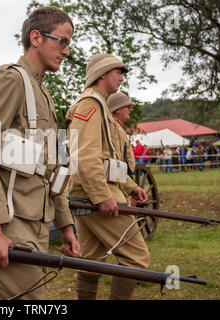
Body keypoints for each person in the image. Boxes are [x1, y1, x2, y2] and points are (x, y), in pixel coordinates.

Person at [0, 6, 79, 300]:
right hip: (8, 221)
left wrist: (65, 224)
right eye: (62, 41)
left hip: (37, 220)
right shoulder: (9, 80)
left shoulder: (46, 96)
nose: (67, 51)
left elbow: (55, 167)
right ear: (36, 37)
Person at [66, 53, 149, 300]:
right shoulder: (90, 104)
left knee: (91, 260)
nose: (121, 78)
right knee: (137, 258)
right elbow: (85, 155)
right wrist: (102, 196)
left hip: (91, 194)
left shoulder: (101, 106)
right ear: (102, 73)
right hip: (95, 196)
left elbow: (109, 160)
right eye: (118, 72)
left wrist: (131, 186)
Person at [107, 92, 136, 173]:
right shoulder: (114, 128)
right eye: (128, 107)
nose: (130, 110)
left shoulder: (118, 127)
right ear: (117, 110)